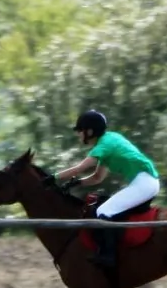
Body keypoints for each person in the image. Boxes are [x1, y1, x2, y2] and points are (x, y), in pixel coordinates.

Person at [55, 109, 160, 272]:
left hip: (144, 183)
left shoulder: (105, 144)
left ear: (90, 131)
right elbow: (97, 177)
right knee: (106, 208)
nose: (79, 135)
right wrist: (76, 183)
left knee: (104, 211)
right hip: (145, 182)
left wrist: (52, 178)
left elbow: (80, 167)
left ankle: (108, 256)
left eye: (80, 131)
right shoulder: (109, 140)